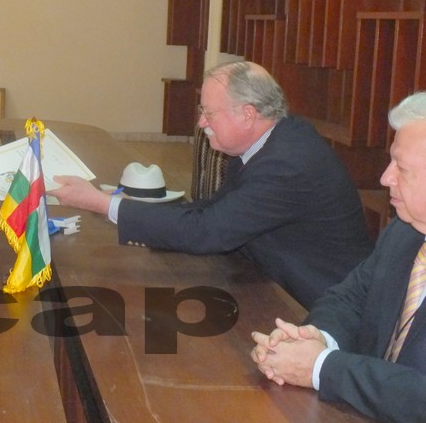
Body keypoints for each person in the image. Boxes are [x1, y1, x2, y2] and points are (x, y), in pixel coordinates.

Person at [49, 61, 373, 309]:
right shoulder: (267, 141)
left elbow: (208, 231)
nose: (201, 122)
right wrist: (115, 201)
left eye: (208, 112)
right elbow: (215, 210)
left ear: (248, 114)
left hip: (316, 305)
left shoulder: (286, 164)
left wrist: (101, 205)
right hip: (270, 277)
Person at [250, 91, 426, 421]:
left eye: (400, 167)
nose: (385, 177)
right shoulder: (404, 233)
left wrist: (320, 367)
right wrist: (315, 338)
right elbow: (350, 299)